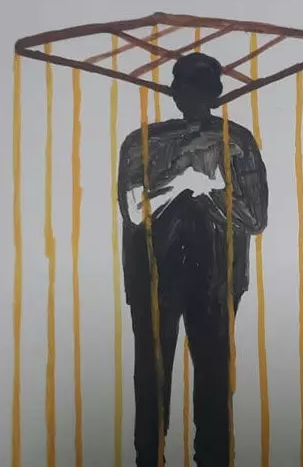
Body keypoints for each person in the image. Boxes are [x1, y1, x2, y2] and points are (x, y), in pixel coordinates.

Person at [117, 52, 269, 467]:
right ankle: (149, 459)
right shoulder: (143, 141)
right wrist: (182, 180)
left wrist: (210, 192)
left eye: (200, 88)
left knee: (212, 378)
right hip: (152, 276)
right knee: (153, 377)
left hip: (217, 277)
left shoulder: (236, 140)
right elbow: (133, 210)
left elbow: (256, 217)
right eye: (187, 87)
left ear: (214, 94)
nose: (193, 96)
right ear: (175, 91)